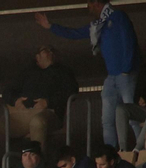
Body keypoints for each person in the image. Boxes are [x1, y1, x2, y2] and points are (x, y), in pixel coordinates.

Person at [35, 1, 138, 148]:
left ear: (96, 3)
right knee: (107, 120)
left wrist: (126, 70)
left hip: (125, 75)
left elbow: (129, 41)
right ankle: (111, 153)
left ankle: (144, 148)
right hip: (112, 77)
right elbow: (75, 33)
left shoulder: (118, 17)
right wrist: (51, 27)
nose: (87, 8)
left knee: (132, 116)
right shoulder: (98, 25)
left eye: (89, 4)